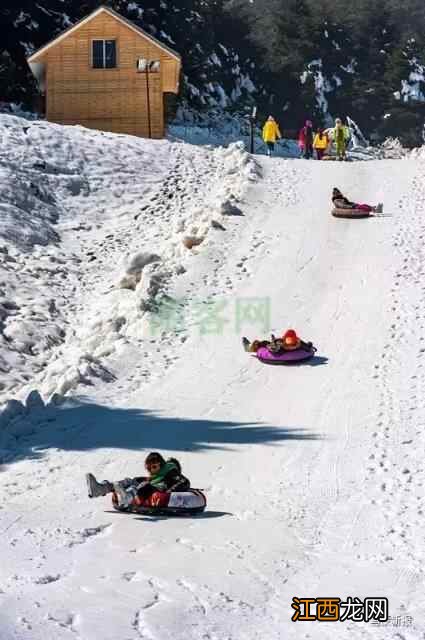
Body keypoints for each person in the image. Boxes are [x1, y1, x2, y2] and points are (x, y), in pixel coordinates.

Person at [86, 452, 190, 508]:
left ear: (161, 464)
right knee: (133, 480)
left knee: (145, 485)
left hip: (161, 488)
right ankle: (100, 489)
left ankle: (128, 497)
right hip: (155, 484)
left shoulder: (170, 471)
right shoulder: (156, 476)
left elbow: (184, 482)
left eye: (154, 467)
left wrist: (168, 491)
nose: (151, 470)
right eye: (148, 468)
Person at [242, 329, 313, 354]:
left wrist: (309, 346)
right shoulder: (280, 345)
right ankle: (248, 347)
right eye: (288, 345)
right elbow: (271, 348)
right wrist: (273, 343)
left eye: (291, 345)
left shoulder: (299, 343)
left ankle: (251, 347)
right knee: (263, 343)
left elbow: (306, 346)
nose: (289, 347)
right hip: (274, 344)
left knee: (265, 343)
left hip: (276, 345)